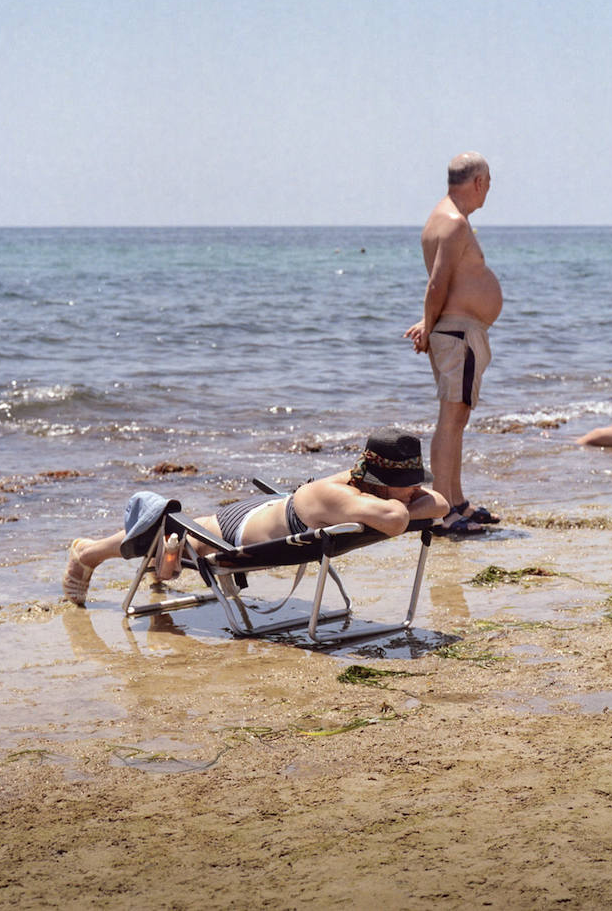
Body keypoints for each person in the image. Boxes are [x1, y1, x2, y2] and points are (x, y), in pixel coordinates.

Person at [62, 427, 449, 605]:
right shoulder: (337, 496)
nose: (416, 489)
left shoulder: (369, 495)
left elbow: (441, 503)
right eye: (408, 483)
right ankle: (88, 553)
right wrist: (411, 504)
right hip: (237, 532)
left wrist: (410, 497)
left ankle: (161, 562)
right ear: (380, 483)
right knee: (168, 534)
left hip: (274, 514)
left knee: (174, 545)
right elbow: (398, 520)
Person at [403, 151, 503, 535]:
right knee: (452, 419)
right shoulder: (454, 222)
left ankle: (456, 500)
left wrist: (431, 320)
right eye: (489, 182)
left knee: (457, 418)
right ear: (478, 181)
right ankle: (444, 511)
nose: (489, 190)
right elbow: (437, 282)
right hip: (458, 334)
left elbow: (448, 283)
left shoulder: (443, 218)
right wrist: (430, 324)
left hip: (457, 328)